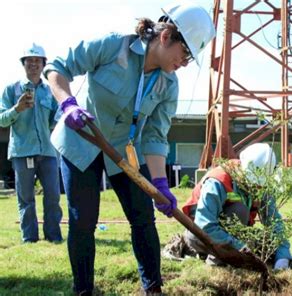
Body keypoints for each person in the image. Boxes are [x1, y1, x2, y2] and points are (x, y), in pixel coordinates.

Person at [43, 2, 215, 295]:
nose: (185, 62)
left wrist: (160, 184)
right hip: (80, 141)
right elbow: (58, 67)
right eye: (185, 53)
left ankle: (153, 289)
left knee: (143, 218)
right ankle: (83, 289)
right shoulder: (114, 47)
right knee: (83, 220)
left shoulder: (169, 84)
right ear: (165, 37)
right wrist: (67, 103)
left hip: (123, 153)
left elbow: (155, 136)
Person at [166, 143, 291, 270]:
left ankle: (228, 256)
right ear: (242, 170)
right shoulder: (217, 182)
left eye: (260, 185)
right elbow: (205, 225)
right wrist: (241, 247)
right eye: (253, 184)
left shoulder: (262, 184)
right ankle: (217, 259)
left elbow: (275, 222)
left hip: (234, 237)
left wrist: (283, 256)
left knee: (265, 243)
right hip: (200, 236)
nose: (257, 188)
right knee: (239, 210)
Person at [0, 43, 63, 243]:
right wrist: (16, 109)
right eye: (29, 60)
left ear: (44, 64)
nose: (33, 64)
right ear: (23, 64)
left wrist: (62, 115)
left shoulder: (49, 91)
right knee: (26, 198)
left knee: (53, 196)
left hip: (47, 152)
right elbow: (1, 119)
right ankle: (29, 239)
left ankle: (54, 236)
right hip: (22, 152)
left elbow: (55, 120)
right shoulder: (11, 89)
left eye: (37, 61)